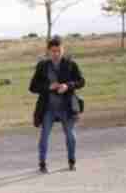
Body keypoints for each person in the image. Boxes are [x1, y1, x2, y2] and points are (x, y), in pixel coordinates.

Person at [29, 36, 85, 173]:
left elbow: (81, 81)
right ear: (48, 51)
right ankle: (42, 164)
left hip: (67, 107)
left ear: (62, 50)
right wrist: (48, 86)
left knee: (71, 136)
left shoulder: (71, 64)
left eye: (58, 51)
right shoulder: (42, 66)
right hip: (48, 108)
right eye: (53, 51)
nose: (56, 54)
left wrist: (67, 86)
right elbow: (32, 87)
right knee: (44, 136)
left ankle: (71, 161)